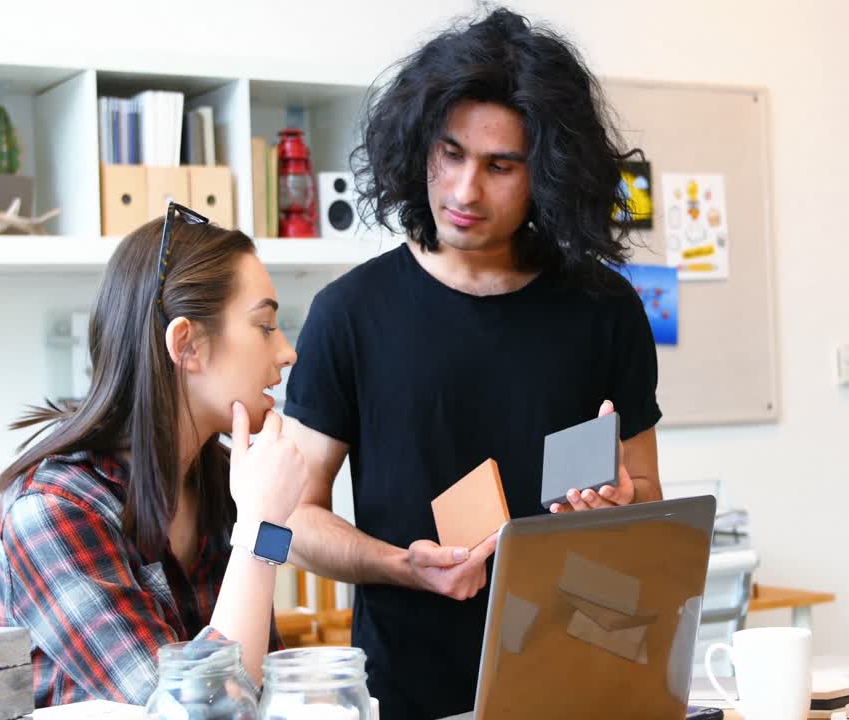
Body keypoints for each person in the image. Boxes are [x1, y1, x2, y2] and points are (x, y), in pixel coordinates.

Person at [282, 8, 664, 718]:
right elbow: (288, 522)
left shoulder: (603, 307)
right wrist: (401, 565)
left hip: (581, 681)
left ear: (547, 174)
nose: (463, 191)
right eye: (450, 154)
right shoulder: (349, 314)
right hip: (408, 691)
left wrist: (622, 503)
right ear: (418, 145)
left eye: (500, 166)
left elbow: (646, 492)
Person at [0, 206, 306, 707]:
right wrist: (260, 532)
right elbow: (190, 713)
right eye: (265, 325)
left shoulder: (221, 478)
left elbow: (260, 693)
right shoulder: (50, 514)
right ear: (187, 344)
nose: (287, 352)